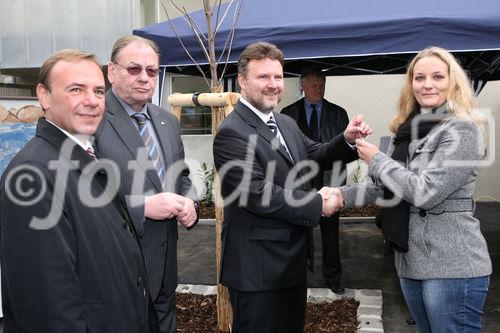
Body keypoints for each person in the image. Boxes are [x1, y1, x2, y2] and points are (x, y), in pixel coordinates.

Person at [213, 42, 372, 333]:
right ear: (243, 81)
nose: (273, 85)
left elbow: (317, 154)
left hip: (292, 266)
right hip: (257, 273)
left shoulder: (284, 123)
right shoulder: (232, 133)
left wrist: (346, 140)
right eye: (263, 77)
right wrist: (317, 203)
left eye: (277, 77)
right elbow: (257, 193)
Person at [337, 46, 492, 333]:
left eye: (437, 76)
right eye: (419, 78)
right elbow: (388, 186)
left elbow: (426, 191)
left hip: (452, 265)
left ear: (453, 82)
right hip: (412, 261)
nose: (427, 84)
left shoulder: (462, 131)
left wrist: (377, 159)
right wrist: (338, 196)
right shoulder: (408, 130)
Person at [0, 49, 147, 332]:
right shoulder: (33, 176)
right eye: (76, 89)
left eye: (99, 91)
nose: (92, 101)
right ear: (44, 96)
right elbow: (47, 308)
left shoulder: (82, 156)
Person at [94, 35, 198, 333]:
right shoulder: (93, 119)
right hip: (117, 271)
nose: (144, 78)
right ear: (112, 71)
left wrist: (189, 201)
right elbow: (81, 195)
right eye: (134, 69)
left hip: (164, 271)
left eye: (152, 71)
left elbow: (181, 176)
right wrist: (142, 207)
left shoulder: (167, 121)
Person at [281, 66, 349, 294]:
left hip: (330, 178)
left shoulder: (339, 114)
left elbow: (345, 149)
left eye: (321, 85)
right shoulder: (288, 113)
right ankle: (300, 273)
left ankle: (333, 277)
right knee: (300, 230)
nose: (318, 89)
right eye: (313, 85)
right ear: (302, 86)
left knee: (331, 233)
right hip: (300, 180)